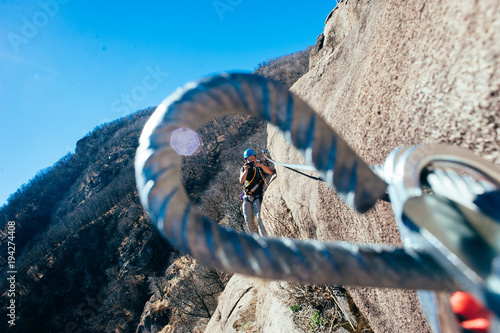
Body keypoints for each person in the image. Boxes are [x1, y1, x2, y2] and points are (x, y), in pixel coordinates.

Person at [239, 149, 274, 235]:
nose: (250, 161)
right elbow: (241, 180)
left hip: (257, 195)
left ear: (255, 158)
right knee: (249, 221)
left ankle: (265, 238)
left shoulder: (260, 165)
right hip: (247, 196)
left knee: (260, 218)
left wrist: (260, 165)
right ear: (246, 160)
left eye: (252, 159)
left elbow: (270, 172)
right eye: (248, 159)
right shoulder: (244, 168)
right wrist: (246, 170)